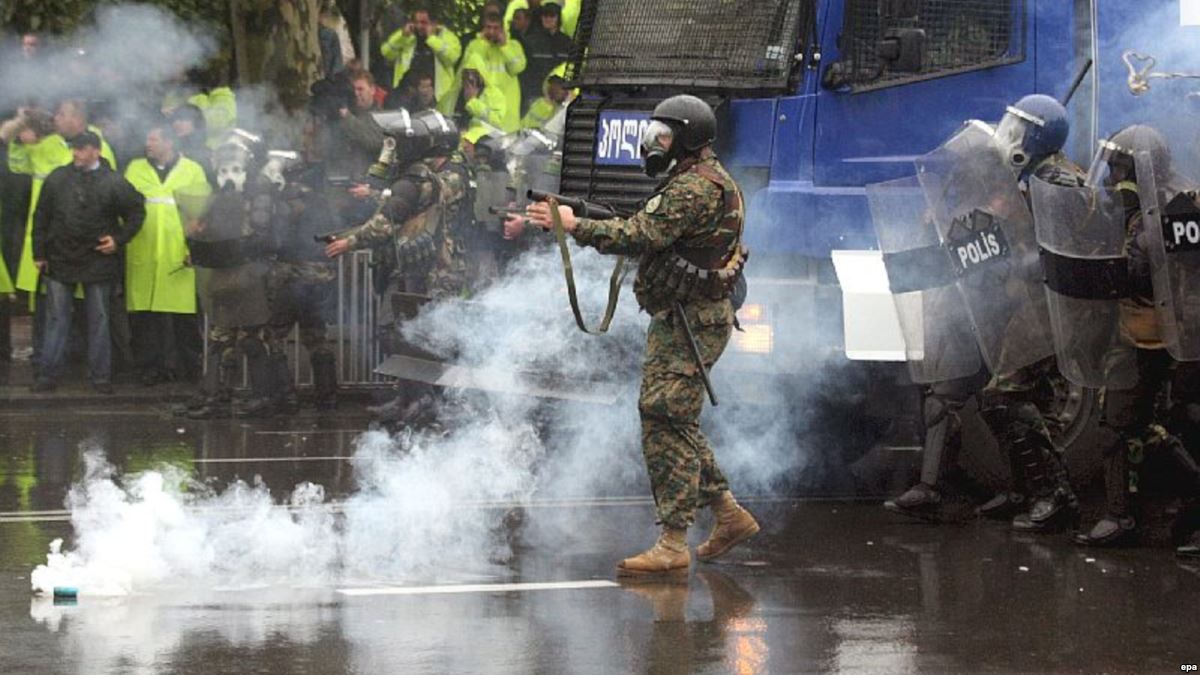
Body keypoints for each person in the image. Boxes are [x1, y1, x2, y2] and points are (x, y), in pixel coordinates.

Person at [521, 95, 758, 576]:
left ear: (688, 139)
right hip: (683, 317)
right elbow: (643, 224)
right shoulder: (696, 181)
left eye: (664, 136)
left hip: (692, 321)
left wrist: (575, 226)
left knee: (663, 418)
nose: (655, 145)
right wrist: (577, 214)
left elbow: (638, 236)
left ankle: (673, 541)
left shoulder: (694, 189)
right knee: (672, 417)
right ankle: (728, 514)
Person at [886, 94, 1084, 533]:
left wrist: (1017, 264)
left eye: (1014, 124)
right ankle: (947, 488)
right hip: (1008, 308)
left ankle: (1054, 496)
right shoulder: (1019, 178)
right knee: (952, 390)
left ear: (1030, 134)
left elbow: (1058, 252)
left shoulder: (1057, 182)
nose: (1005, 130)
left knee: (1007, 394)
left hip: (1045, 314)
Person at [1073, 125, 1200, 547]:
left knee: (1121, 425)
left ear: (1136, 170)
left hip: (1153, 334)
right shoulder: (1168, 200)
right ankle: (1126, 513)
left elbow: (1139, 272)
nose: (1110, 177)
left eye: (1118, 167)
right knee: (1140, 424)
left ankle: (1121, 517)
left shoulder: (1158, 212)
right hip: (1163, 332)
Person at [30, 131, 145, 393]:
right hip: (63, 256)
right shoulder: (59, 178)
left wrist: (118, 239)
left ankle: (100, 377)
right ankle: (48, 375)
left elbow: (136, 211)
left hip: (95, 258)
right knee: (59, 318)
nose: (76, 154)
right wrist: (39, 253)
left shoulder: (113, 182)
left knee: (98, 319)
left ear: (96, 150)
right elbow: (42, 216)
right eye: (75, 149)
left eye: (81, 150)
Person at [324, 109, 471, 304]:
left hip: (438, 265)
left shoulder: (427, 178)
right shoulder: (423, 176)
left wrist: (349, 241)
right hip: (427, 263)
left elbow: (389, 218)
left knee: (414, 325)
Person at [184, 130, 281, 418]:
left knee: (253, 339)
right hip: (225, 277)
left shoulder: (257, 199)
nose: (230, 176)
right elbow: (213, 236)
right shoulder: (217, 201)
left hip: (250, 278)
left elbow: (264, 237)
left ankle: (263, 397)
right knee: (219, 341)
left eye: (236, 169)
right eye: (224, 170)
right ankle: (215, 398)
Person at [124, 123, 211, 385]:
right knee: (144, 318)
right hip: (144, 251)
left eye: (153, 139)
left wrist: (194, 247)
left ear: (169, 143)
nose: (147, 144)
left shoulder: (193, 170)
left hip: (177, 253)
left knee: (183, 316)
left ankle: (190, 367)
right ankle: (150, 369)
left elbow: (202, 215)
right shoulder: (135, 168)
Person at [264, 156, 340, 411]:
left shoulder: (290, 198)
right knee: (316, 337)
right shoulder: (324, 201)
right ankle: (327, 396)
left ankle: (285, 396)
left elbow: (277, 235)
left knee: (273, 335)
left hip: (292, 274)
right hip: (322, 276)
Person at [380, 5, 462, 116]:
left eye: (424, 22)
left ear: (434, 23)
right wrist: (402, 37)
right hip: (407, 95)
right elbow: (386, 53)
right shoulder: (406, 35)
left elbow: (452, 57)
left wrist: (431, 38)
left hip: (437, 97)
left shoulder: (447, 36)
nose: (419, 26)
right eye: (416, 22)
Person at [460, 13, 526, 134]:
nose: (492, 32)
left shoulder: (513, 45)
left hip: (508, 114)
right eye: (488, 27)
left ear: (502, 29)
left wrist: (504, 46)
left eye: (496, 28)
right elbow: (467, 69)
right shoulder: (475, 45)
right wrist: (484, 43)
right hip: (482, 111)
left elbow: (518, 67)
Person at [518, 2, 574, 117]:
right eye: (545, 15)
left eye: (552, 15)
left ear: (558, 18)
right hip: (536, 95)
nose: (548, 19)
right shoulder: (531, 42)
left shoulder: (567, 42)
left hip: (560, 97)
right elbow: (526, 71)